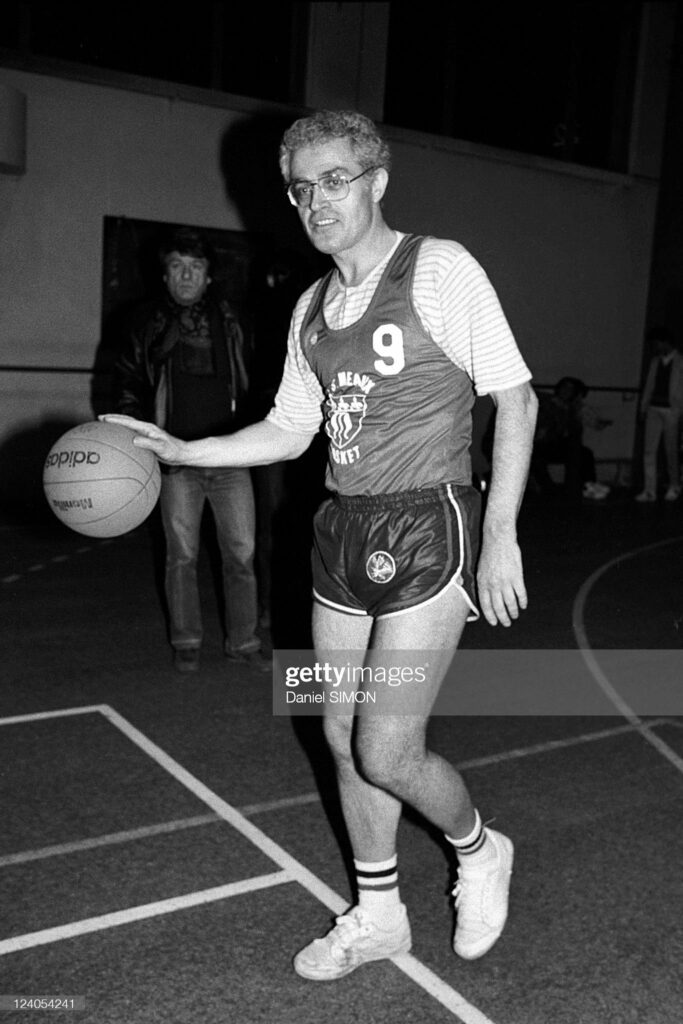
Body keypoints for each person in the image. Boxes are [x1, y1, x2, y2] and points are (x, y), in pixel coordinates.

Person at [103, 110, 538, 974]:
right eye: (301, 187)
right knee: (336, 734)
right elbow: (286, 429)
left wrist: (499, 538)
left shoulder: (439, 268)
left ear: (377, 180)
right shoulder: (310, 305)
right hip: (340, 533)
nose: (315, 201)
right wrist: (184, 449)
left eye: (334, 179)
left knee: (386, 746)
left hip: (428, 528)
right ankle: (378, 915)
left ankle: (480, 847)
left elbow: (515, 399)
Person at [112, 226, 267, 674]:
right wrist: (135, 439)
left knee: (241, 554)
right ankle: (186, 639)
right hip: (175, 460)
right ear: (164, 276)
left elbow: (255, 380)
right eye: (177, 267)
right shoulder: (145, 321)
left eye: (195, 267)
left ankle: (244, 641)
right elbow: (127, 382)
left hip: (228, 456)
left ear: (209, 276)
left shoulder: (233, 319)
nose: (185, 276)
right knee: (182, 556)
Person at [530, 377, 611, 500]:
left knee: (584, 453)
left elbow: (595, 423)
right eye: (564, 387)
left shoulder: (572, 409)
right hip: (538, 444)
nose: (566, 391)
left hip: (556, 445)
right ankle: (549, 489)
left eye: (570, 389)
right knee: (536, 456)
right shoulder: (546, 401)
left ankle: (589, 485)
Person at [635, 326, 683, 502]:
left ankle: (674, 485)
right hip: (654, 407)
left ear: (666, 342)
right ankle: (649, 490)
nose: (655, 347)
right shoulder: (655, 361)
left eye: (657, 343)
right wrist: (643, 408)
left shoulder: (680, 362)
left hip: (672, 409)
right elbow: (649, 385)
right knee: (649, 449)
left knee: (670, 449)